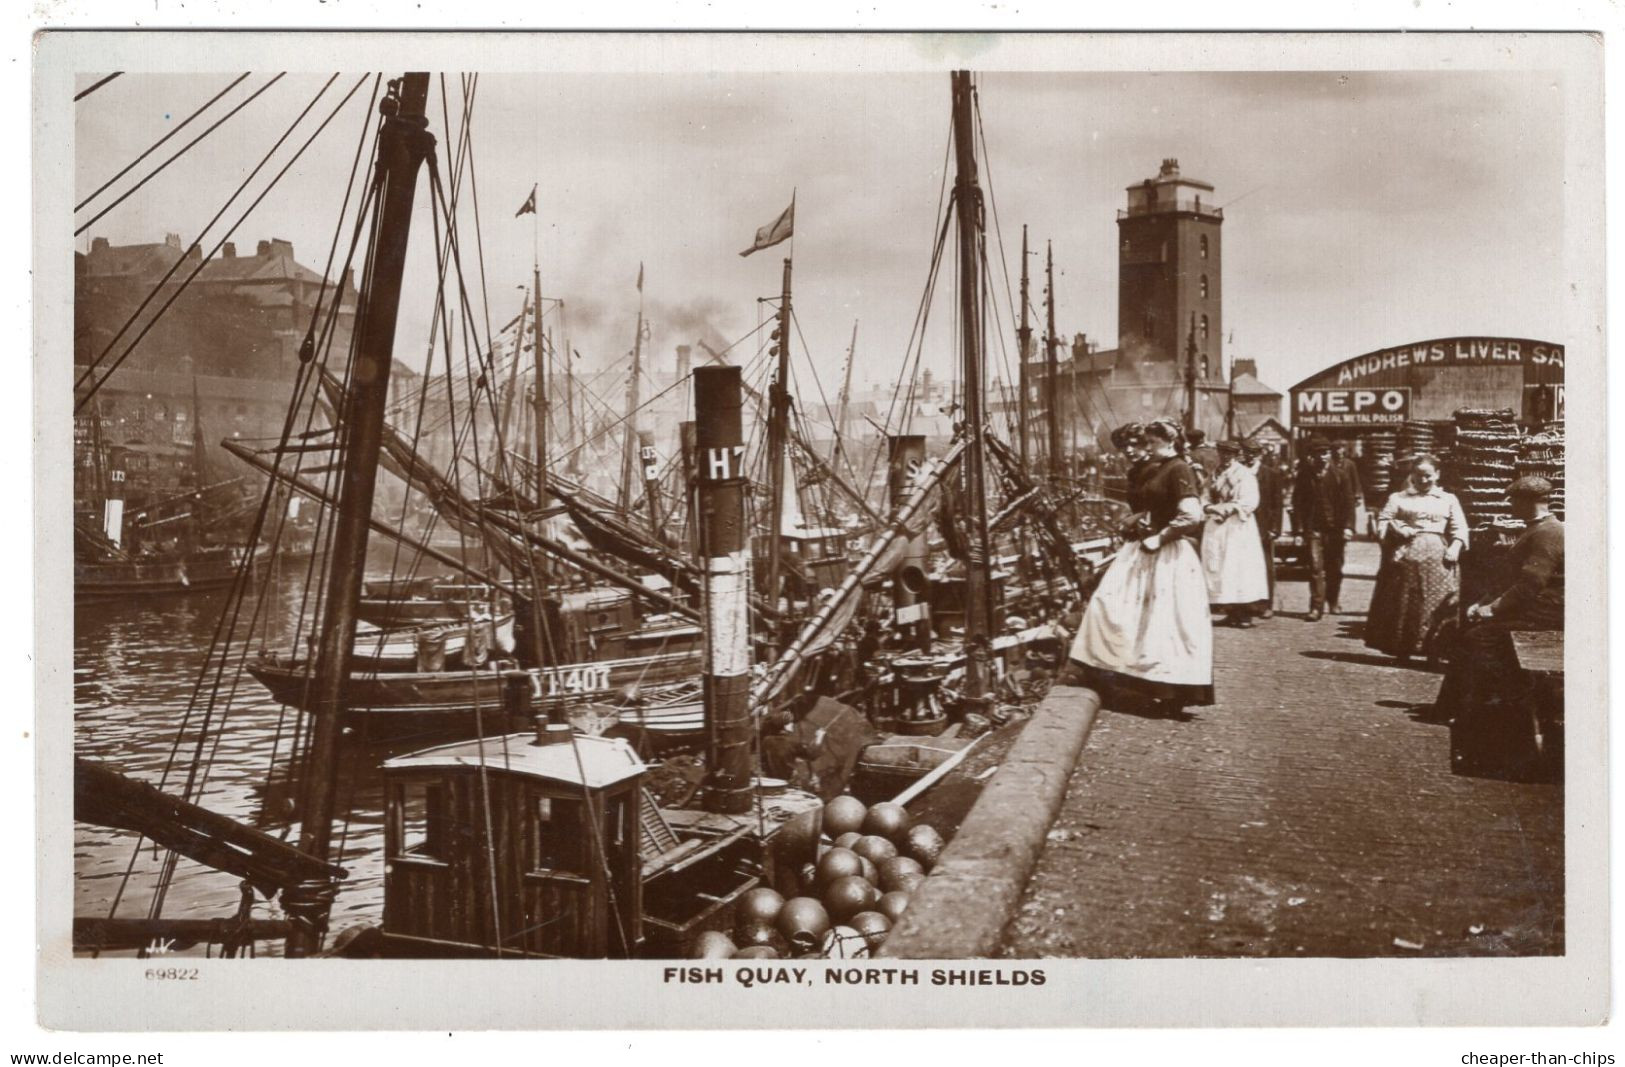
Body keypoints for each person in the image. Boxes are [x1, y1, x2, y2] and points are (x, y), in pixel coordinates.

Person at [1068, 418, 1214, 713]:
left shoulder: (1178, 468)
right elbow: (1154, 506)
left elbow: (1191, 515)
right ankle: (1125, 674)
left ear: (1167, 441)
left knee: (1166, 621)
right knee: (1114, 608)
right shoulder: (1158, 469)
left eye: (1149, 443)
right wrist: (1135, 521)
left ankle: (1172, 689)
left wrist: (1159, 538)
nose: (1144, 448)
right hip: (1143, 549)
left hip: (1167, 552)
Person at [1436, 476, 1564, 719]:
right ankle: (1467, 707)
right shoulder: (1538, 529)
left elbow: (1530, 584)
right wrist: (1484, 602)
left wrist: (1492, 609)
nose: (1511, 507)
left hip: (1543, 613)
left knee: (1479, 638)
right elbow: (1509, 582)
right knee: (1468, 633)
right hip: (1533, 609)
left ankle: (1495, 706)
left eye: (1513, 501)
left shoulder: (1549, 533)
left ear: (1527, 502)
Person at [1364, 454, 1468, 662]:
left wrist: (1455, 547)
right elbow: (1383, 522)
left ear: (1437, 475)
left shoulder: (1448, 499)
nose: (1423, 480)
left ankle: (1434, 651)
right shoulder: (1398, 498)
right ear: (1411, 475)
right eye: (1418, 475)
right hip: (1407, 559)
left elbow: (1460, 528)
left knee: (1438, 603)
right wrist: (1397, 528)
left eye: (1428, 476)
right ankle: (1403, 649)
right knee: (1407, 603)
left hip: (1440, 560)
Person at [1201, 440, 1270, 627]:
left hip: (1237, 526)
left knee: (1239, 567)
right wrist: (1208, 507)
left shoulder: (1244, 475)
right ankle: (1231, 611)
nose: (1226, 457)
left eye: (1230, 454)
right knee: (1222, 567)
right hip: (1216, 524)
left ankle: (1245, 613)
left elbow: (1249, 501)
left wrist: (1228, 508)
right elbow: (1204, 495)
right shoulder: (1214, 474)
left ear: (1236, 455)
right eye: (1223, 453)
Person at [1291, 438, 1358, 621]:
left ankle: (1333, 600)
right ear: (1312, 457)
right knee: (1315, 568)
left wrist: (1349, 527)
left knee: (1335, 568)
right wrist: (1298, 531)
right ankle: (1316, 607)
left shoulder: (1340, 475)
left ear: (1330, 454)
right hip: (1314, 529)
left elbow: (1349, 504)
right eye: (1318, 454)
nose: (1322, 457)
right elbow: (1297, 504)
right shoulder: (1305, 476)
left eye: (1325, 453)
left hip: (1336, 529)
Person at [1247, 443, 1284, 618]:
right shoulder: (1239, 473)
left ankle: (1266, 604)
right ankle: (1246, 604)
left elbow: (1277, 504)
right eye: (1247, 453)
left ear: (1260, 455)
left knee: (1266, 566)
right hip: (1243, 526)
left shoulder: (1271, 475)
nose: (1250, 457)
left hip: (1263, 527)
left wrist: (1275, 528)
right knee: (1245, 566)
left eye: (1253, 454)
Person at [1186, 428, 1220, 495]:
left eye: (1190, 439)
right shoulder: (1215, 451)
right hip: (1216, 484)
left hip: (1200, 486)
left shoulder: (1192, 454)